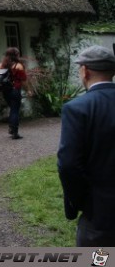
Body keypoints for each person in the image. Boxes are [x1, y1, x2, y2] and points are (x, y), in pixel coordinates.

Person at [57, 45, 115, 247]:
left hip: (100, 216)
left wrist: (81, 202)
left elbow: (69, 165)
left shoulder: (77, 108)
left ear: (85, 70)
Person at [0, 47, 28, 139]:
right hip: (15, 90)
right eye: (18, 54)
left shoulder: (1, 65)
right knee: (15, 110)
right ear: (15, 55)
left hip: (5, 91)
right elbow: (23, 80)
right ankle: (15, 132)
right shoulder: (18, 66)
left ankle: (11, 128)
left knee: (12, 109)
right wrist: (28, 90)